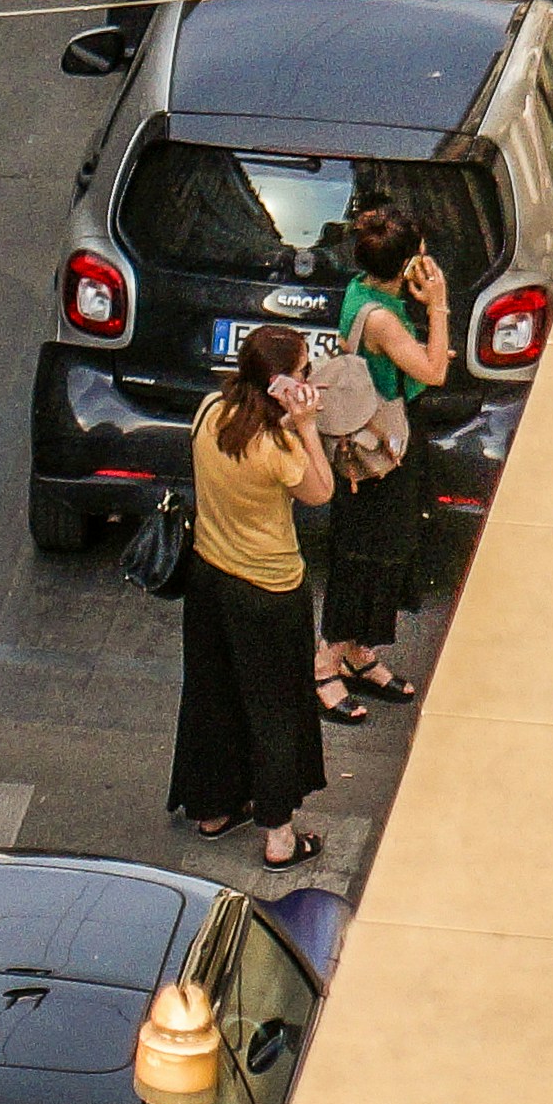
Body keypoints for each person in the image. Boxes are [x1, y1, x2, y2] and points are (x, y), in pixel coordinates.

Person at [173, 323, 334, 868]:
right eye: (305, 369)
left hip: (209, 574)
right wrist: (307, 427)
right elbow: (320, 491)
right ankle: (279, 837)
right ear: (282, 385)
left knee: (214, 693)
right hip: (270, 588)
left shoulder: (208, 413)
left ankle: (214, 808)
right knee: (276, 710)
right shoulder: (278, 446)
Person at [316, 204, 448, 715]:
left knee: (382, 547)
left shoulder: (362, 290)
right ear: (409, 262)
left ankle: (357, 651)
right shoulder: (385, 320)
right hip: (380, 448)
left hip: (373, 434)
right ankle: (326, 661)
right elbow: (434, 372)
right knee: (366, 552)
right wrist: (437, 305)